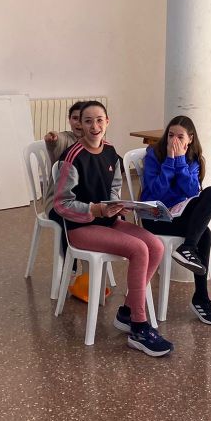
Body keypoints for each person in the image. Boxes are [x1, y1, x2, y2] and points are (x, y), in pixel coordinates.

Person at [51, 100, 173, 357]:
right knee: (139, 249)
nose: (94, 126)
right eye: (87, 121)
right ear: (80, 125)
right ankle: (138, 327)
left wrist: (116, 205)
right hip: (81, 228)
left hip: (108, 221)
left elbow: (114, 187)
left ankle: (127, 311)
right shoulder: (71, 158)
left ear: (107, 122)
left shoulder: (110, 151)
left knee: (155, 245)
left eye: (99, 120)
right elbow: (62, 205)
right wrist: (96, 209)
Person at [140, 115, 211, 326]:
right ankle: (200, 297)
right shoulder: (154, 155)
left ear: (190, 139)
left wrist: (180, 162)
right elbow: (155, 193)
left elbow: (192, 191)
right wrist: (169, 161)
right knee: (205, 233)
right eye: (170, 135)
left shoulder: (193, 159)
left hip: (177, 214)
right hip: (155, 215)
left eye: (180, 137)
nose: (173, 141)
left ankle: (188, 249)